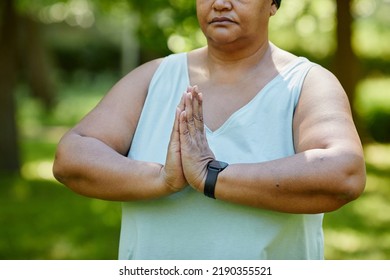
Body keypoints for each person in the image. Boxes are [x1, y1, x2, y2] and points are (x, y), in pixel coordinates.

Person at [52, 0, 366, 260]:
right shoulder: (154, 78)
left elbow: (343, 174)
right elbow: (71, 158)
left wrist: (211, 176)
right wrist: (163, 179)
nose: (220, 4)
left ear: (272, 3)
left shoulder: (307, 83)